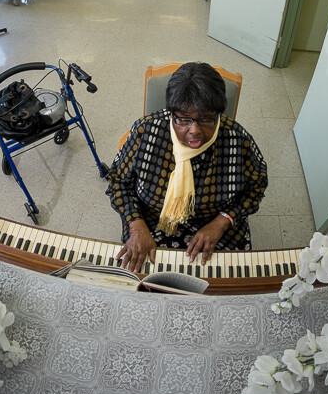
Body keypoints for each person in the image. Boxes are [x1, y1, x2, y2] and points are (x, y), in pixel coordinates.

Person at [106, 62, 267, 272]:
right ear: (171, 113)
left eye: (207, 120)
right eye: (183, 120)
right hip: (152, 221)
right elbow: (118, 181)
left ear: (218, 114)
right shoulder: (145, 132)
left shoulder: (237, 139)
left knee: (225, 277)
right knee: (149, 279)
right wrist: (136, 227)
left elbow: (256, 185)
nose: (194, 130)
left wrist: (221, 222)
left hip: (216, 220)